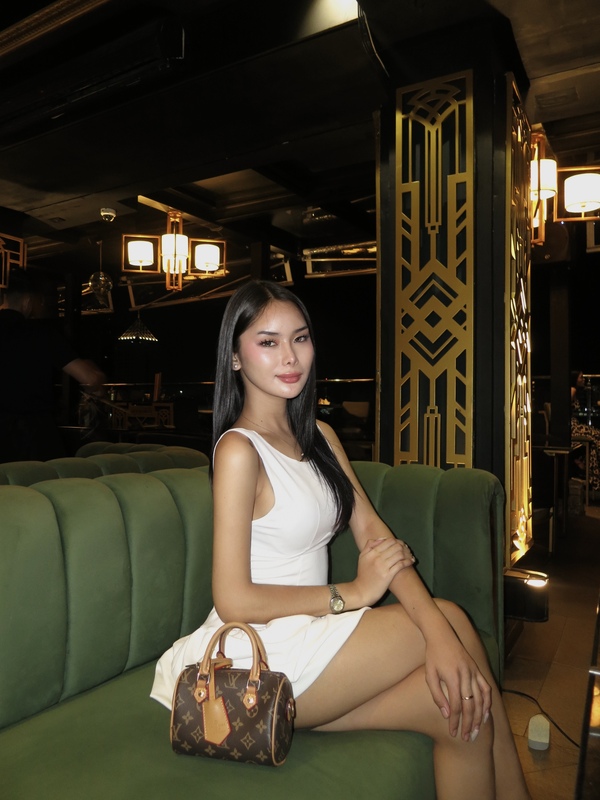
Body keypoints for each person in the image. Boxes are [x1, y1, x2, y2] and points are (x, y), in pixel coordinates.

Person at [151, 280, 530, 799]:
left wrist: (438, 632)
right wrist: (351, 595)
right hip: (260, 656)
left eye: (300, 338)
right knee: (451, 625)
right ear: (235, 357)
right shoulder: (239, 451)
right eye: (268, 342)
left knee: (466, 711)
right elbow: (233, 598)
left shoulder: (321, 437)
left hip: (313, 640)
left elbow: (373, 532)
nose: (290, 357)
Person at [0, 268, 106, 462]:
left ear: (4, 298)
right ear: (28, 301)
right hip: (33, 437)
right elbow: (89, 378)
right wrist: (96, 377)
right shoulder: (41, 334)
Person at [570, 369, 600, 492]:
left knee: (594, 440)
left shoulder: (575, 391)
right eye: (581, 377)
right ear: (575, 379)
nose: (583, 380)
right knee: (596, 435)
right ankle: (594, 476)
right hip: (572, 427)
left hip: (575, 424)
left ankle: (593, 476)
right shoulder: (572, 391)